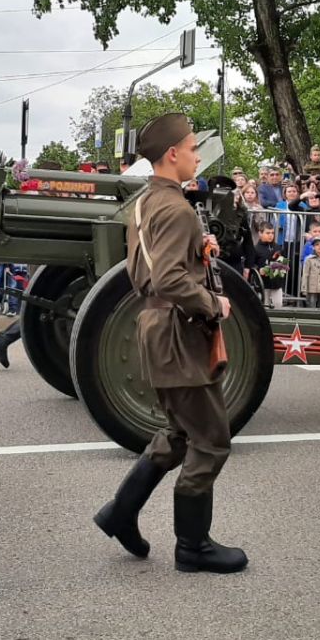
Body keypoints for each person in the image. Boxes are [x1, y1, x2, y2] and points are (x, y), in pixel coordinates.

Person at [93, 112, 246, 575]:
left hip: (156, 326)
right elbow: (170, 278)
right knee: (212, 440)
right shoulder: (177, 208)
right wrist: (212, 303)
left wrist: (200, 248)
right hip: (180, 329)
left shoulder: (146, 202)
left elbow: (158, 262)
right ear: (173, 154)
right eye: (194, 148)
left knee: (180, 432)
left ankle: (120, 512)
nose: (199, 156)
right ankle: (193, 547)